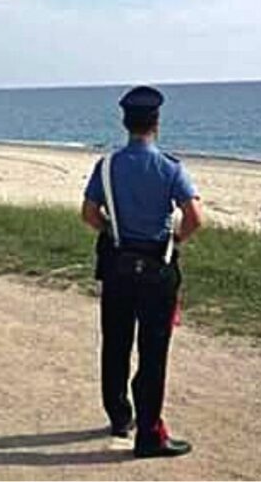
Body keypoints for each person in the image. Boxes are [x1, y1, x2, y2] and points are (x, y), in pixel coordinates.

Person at [81, 85, 204, 458]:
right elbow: (195, 217)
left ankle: (119, 416)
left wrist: (111, 228)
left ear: (125, 123)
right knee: (153, 351)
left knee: (116, 342)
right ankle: (149, 432)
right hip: (156, 267)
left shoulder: (107, 166)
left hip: (118, 264)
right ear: (156, 123)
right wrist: (176, 238)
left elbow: (89, 213)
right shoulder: (169, 167)